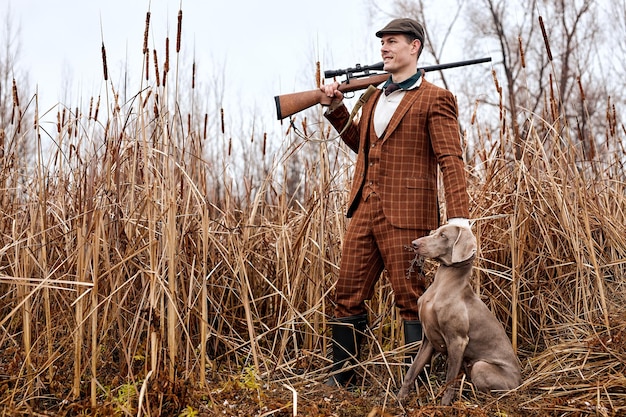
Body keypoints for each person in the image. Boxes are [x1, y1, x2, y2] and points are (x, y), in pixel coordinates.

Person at [320, 17, 471, 387]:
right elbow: (364, 148)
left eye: (392, 41)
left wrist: (460, 218)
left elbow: (451, 159)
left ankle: (416, 386)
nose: (384, 48)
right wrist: (337, 109)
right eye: (382, 42)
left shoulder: (436, 98)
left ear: (414, 46)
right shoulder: (373, 97)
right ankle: (343, 381)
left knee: (413, 300)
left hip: (409, 217)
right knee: (346, 295)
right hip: (363, 211)